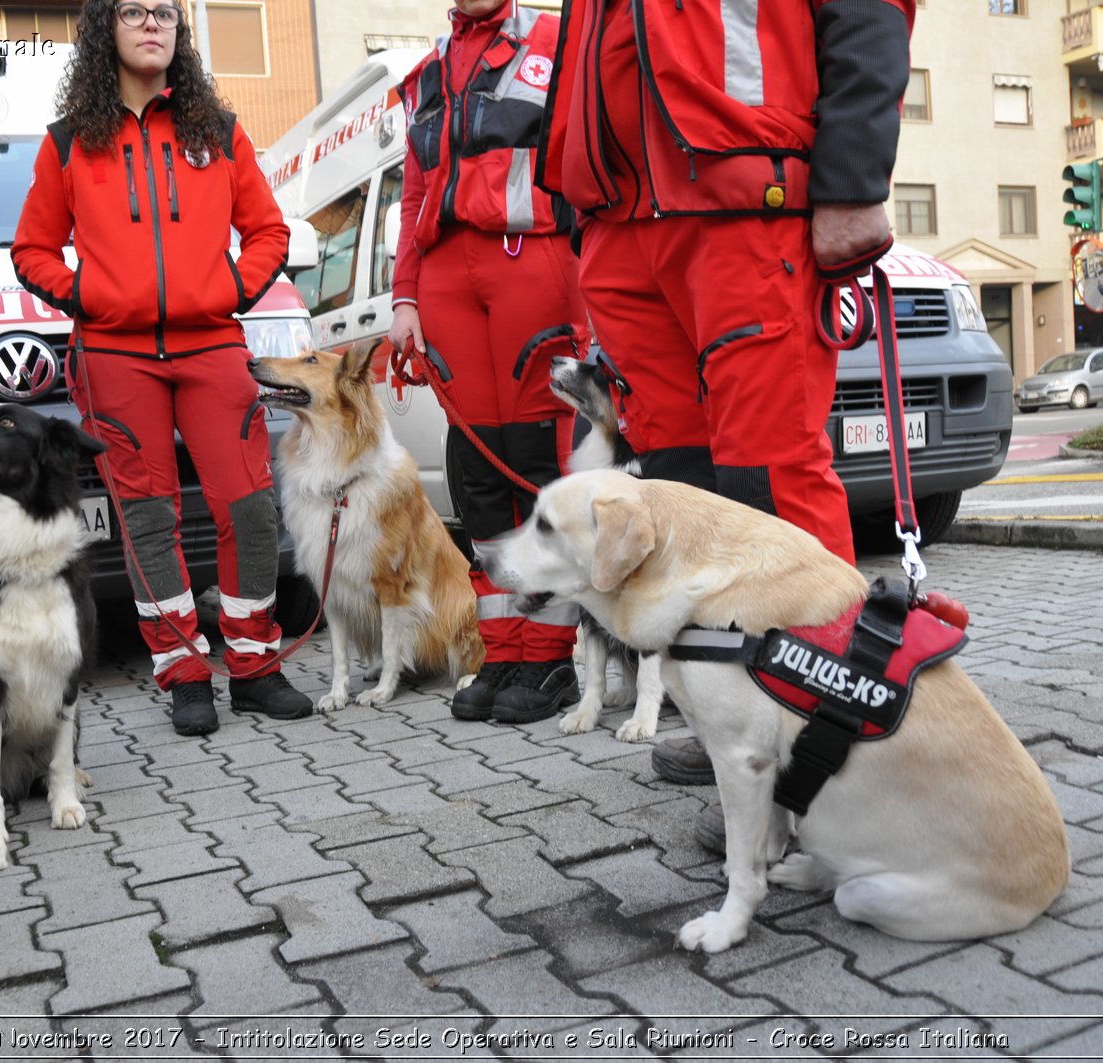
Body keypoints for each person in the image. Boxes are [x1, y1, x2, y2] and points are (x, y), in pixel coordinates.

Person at [536, 0, 916, 815]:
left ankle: (827, 747)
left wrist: (851, 178)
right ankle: (741, 732)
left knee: (768, 479)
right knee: (685, 496)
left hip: (748, 200)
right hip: (627, 220)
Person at [12, 0, 310, 736]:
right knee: (148, 518)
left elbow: (268, 231)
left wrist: (233, 289)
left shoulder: (218, 131)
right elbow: (33, 251)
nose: (154, 24)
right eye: (136, 12)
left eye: (168, 13)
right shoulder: (69, 142)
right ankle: (183, 672)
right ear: (104, 30)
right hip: (115, 355)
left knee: (250, 507)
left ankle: (254, 665)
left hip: (211, 347)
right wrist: (92, 296)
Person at [388, 0, 584, 726]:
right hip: (445, 280)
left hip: (531, 262)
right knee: (477, 468)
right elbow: (413, 199)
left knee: (536, 459)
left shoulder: (555, 39)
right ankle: (501, 648)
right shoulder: (424, 76)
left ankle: (550, 652)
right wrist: (403, 297)